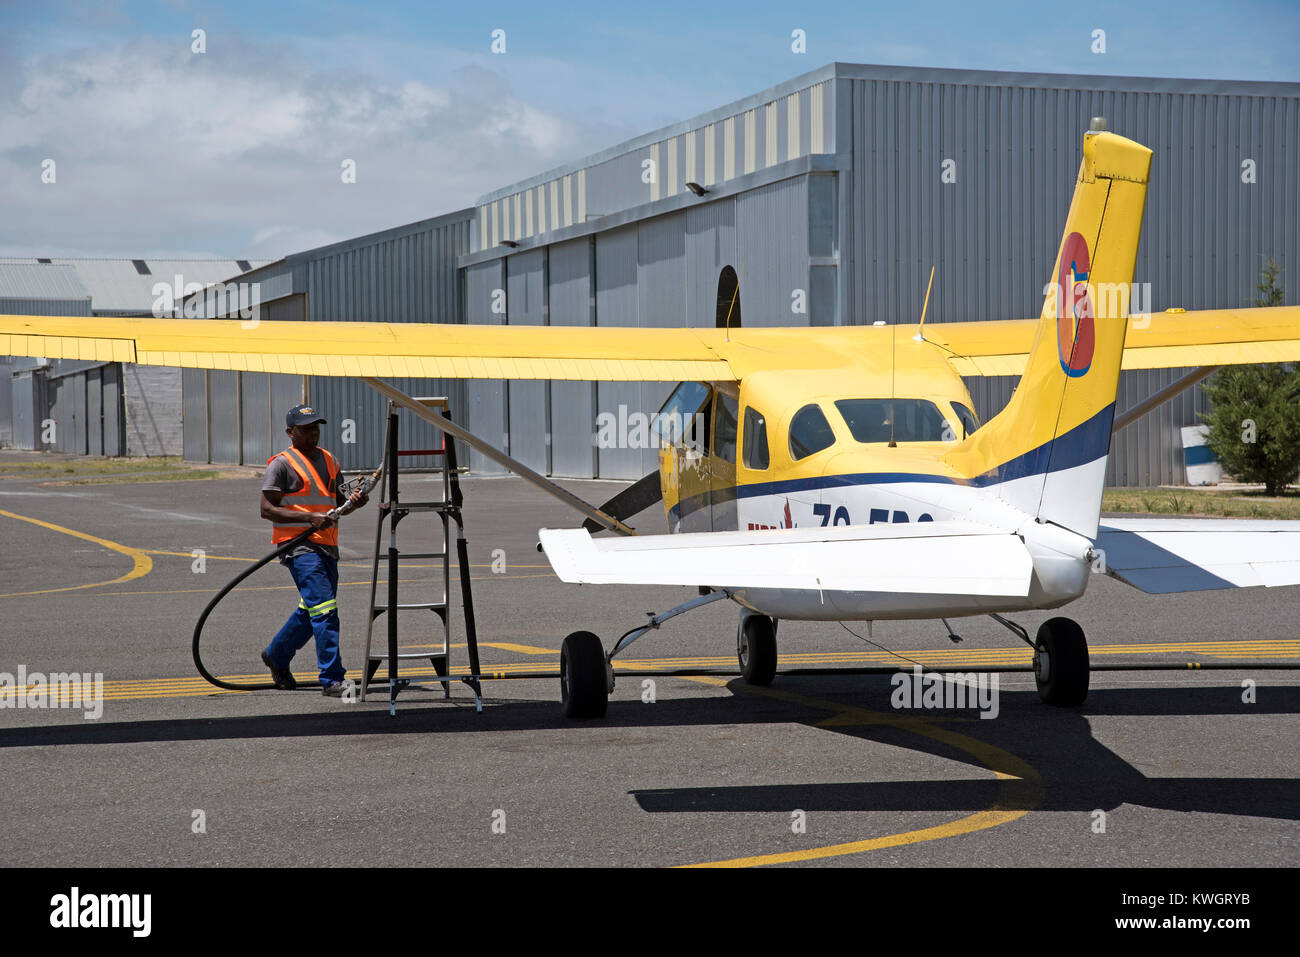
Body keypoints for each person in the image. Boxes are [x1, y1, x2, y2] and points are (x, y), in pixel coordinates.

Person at [259, 404, 367, 696]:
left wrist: (354, 503)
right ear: (290, 432)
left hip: (327, 544)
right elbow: (267, 509)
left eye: (316, 426)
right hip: (299, 546)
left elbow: (336, 505)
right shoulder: (281, 464)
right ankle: (332, 678)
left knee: (312, 608)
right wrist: (308, 518)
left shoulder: (330, 460)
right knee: (325, 609)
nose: (313, 432)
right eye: (306, 428)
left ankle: (277, 655)